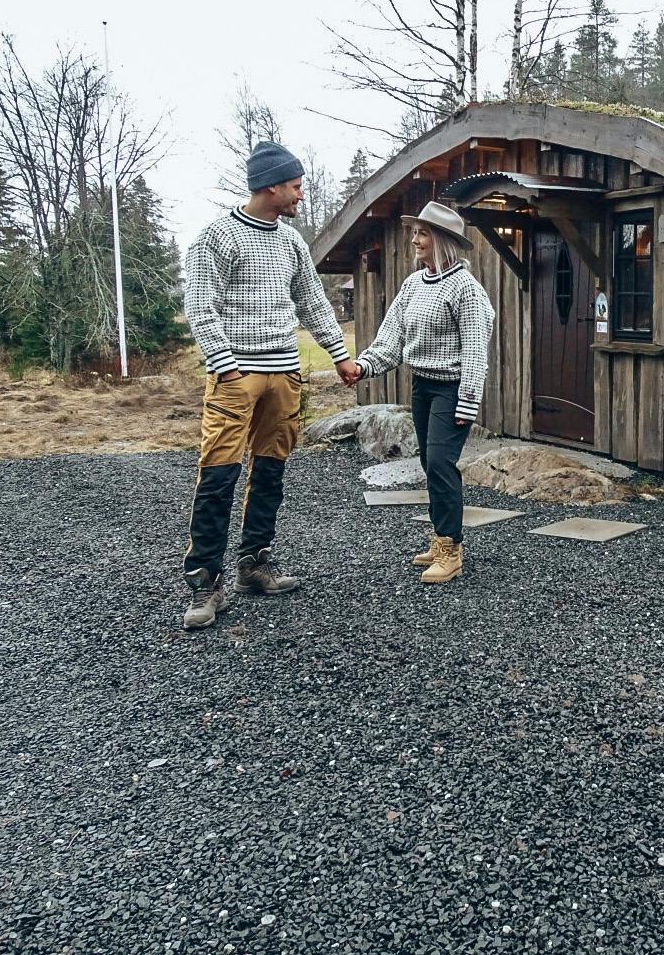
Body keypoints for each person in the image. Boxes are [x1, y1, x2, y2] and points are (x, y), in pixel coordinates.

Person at [180, 140, 358, 629]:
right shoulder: (217, 238)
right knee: (218, 475)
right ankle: (204, 583)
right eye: (297, 187)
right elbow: (201, 306)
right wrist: (225, 363)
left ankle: (253, 564)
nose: (302, 195)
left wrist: (340, 356)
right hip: (236, 375)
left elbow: (313, 304)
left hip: (284, 374)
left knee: (271, 469)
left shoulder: (291, 240)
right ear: (272, 186)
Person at [346, 201, 496, 584]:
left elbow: (476, 350)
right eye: (414, 232)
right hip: (423, 386)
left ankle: (451, 549)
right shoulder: (413, 285)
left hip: (451, 388)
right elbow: (391, 338)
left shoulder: (466, 289)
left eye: (423, 232)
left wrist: (468, 401)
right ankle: (440, 536)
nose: (414, 239)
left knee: (442, 464)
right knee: (429, 463)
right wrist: (363, 366)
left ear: (442, 239)